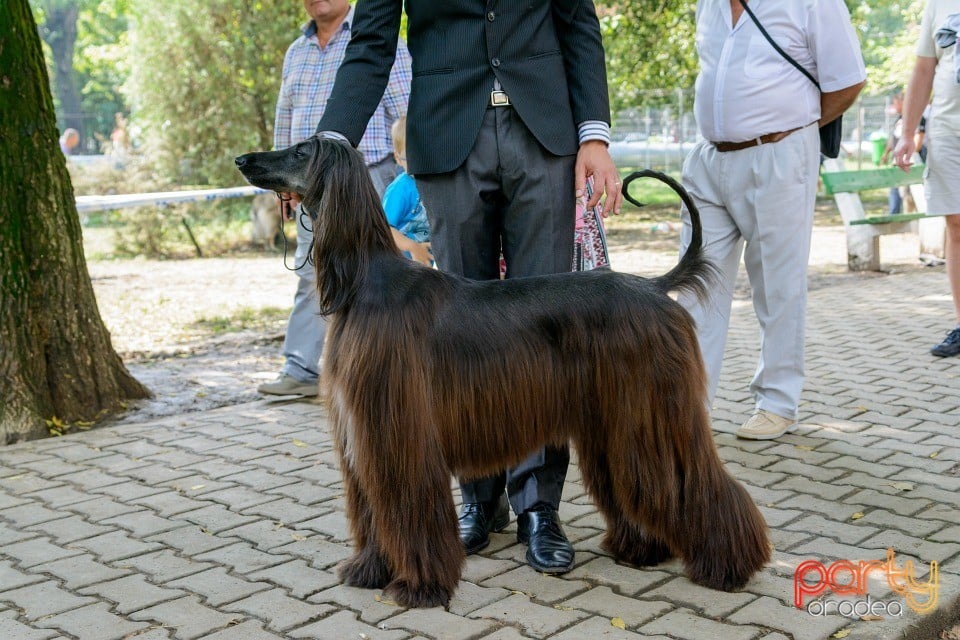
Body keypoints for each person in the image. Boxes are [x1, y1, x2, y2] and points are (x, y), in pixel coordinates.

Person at [314, 0, 622, 574]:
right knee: (458, 338)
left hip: (545, 132)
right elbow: (371, 43)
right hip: (447, 134)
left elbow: (578, 21)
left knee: (542, 333)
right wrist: (330, 143)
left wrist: (595, 136)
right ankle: (478, 501)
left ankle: (539, 508)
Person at [678, 0, 866, 440]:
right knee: (695, 287)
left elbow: (849, 80)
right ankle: (689, 404)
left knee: (777, 285)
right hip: (710, 157)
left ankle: (777, 402)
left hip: (778, 154)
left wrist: (793, 124)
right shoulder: (708, 4)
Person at [256, 0, 411, 397]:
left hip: (369, 179)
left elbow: (406, 111)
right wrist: (282, 182)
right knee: (312, 273)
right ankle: (301, 368)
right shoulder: (297, 51)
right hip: (310, 187)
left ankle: (383, 365)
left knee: (379, 274)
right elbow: (285, 118)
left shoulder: (378, 38)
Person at [892, 0, 960, 357]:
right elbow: (923, 70)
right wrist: (907, 133)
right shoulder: (939, 4)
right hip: (948, 131)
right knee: (956, 223)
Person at [382, 116, 432, 266]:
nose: (419, 162)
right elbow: (385, 228)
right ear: (398, 158)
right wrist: (413, 247)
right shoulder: (400, 189)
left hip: (431, 257)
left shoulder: (435, 182)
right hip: (406, 263)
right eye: (412, 156)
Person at [880, 91, 926, 214]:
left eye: (896, 103)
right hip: (896, 161)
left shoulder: (918, 118)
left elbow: (918, 140)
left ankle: (912, 217)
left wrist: (908, 157)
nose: (894, 106)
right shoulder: (899, 119)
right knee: (895, 190)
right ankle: (893, 214)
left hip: (910, 162)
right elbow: (893, 139)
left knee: (911, 195)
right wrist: (886, 153)